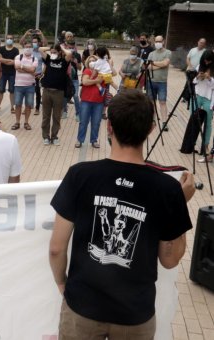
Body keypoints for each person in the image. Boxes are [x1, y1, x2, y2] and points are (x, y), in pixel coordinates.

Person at [49, 90, 194, 340]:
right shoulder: (167, 190)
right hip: (135, 314)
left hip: (82, 306)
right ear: (150, 130)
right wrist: (179, 202)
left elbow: (56, 248)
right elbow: (170, 260)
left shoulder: (80, 175)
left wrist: (63, 284)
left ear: (109, 127)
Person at [39, 44, 72, 146]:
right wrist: (51, 48)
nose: (52, 54)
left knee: (56, 116)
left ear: (59, 53)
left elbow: (69, 53)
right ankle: (46, 137)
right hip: (47, 91)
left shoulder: (63, 62)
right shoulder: (48, 59)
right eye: (51, 52)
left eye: (55, 52)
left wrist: (60, 48)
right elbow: (40, 49)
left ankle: (54, 136)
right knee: (46, 116)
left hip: (59, 92)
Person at [76, 56, 106, 149]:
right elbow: (85, 82)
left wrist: (103, 61)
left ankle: (94, 140)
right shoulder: (87, 71)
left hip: (99, 101)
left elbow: (113, 73)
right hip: (86, 101)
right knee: (83, 122)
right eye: (90, 61)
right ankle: (80, 140)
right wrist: (97, 81)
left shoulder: (103, 72)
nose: (92, 63)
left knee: (96, 122)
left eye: (94, 61)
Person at [147, 35, 172, 131]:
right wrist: (160, 64)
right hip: (151, 81)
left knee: (162, 102)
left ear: (163, 42)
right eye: (156, 41)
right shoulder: (151, 54)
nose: (157, 43)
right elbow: (148, 67)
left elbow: (166, 63)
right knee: (151, 102)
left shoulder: (168, 52)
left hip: (162, 82)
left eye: (159, 41)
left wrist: (154, 63)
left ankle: (164, 122)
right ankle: (152, 121)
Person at [12, 42, 39, 131]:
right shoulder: (18, 57)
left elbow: (33, 69)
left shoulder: (35, 58)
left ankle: (26, 122)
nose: (28, 48)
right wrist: (31, 71)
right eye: (26, 46)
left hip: (30, 86)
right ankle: (17, 122)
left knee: (28, 105)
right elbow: (17, 68)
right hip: (18, 85)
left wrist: (22, 66)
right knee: (18, 104)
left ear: (32, 48)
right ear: (23, 48)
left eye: (29, 47)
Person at [194, 50, 214, 163]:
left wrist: (209, 78)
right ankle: (191, 142)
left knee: (208, 123)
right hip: (198, 95)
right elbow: (193, 81)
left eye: (209, 61)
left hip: (209, 98)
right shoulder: (199, 66)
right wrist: (198, 76)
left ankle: (205, 145)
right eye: (205, 60)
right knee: (195, 119)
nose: (206, 63)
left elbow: (213, 85)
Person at [0, 34, 19, 114]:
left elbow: (14, 62)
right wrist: (9, 60)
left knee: (12, 91)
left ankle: (12, 107)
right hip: (3, 73)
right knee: (1, 90)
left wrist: (4, 60)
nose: (9, 39)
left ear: (13, 40)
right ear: (5, 39)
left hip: (12, 73)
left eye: (11, 38)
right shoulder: (1, 49)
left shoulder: (16, 50)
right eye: (8, 38)